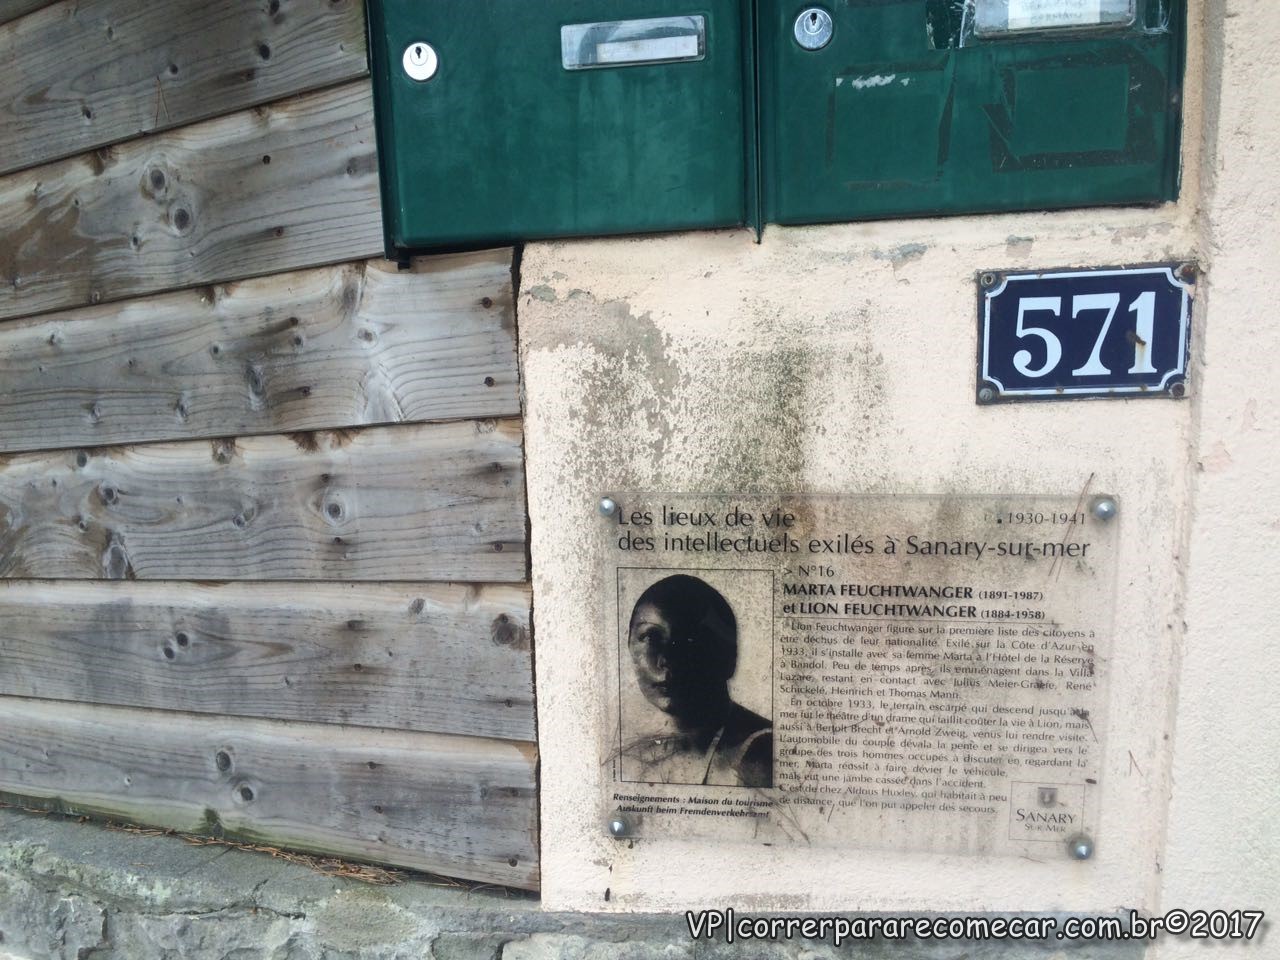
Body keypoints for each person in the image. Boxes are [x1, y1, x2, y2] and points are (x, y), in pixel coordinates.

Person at [620, 574, 773, 788]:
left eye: (689, 640)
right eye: (651, 638)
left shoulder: (760, 751)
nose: (667, 660)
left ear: (729, 656)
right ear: (629, 646)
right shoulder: (634, 755)